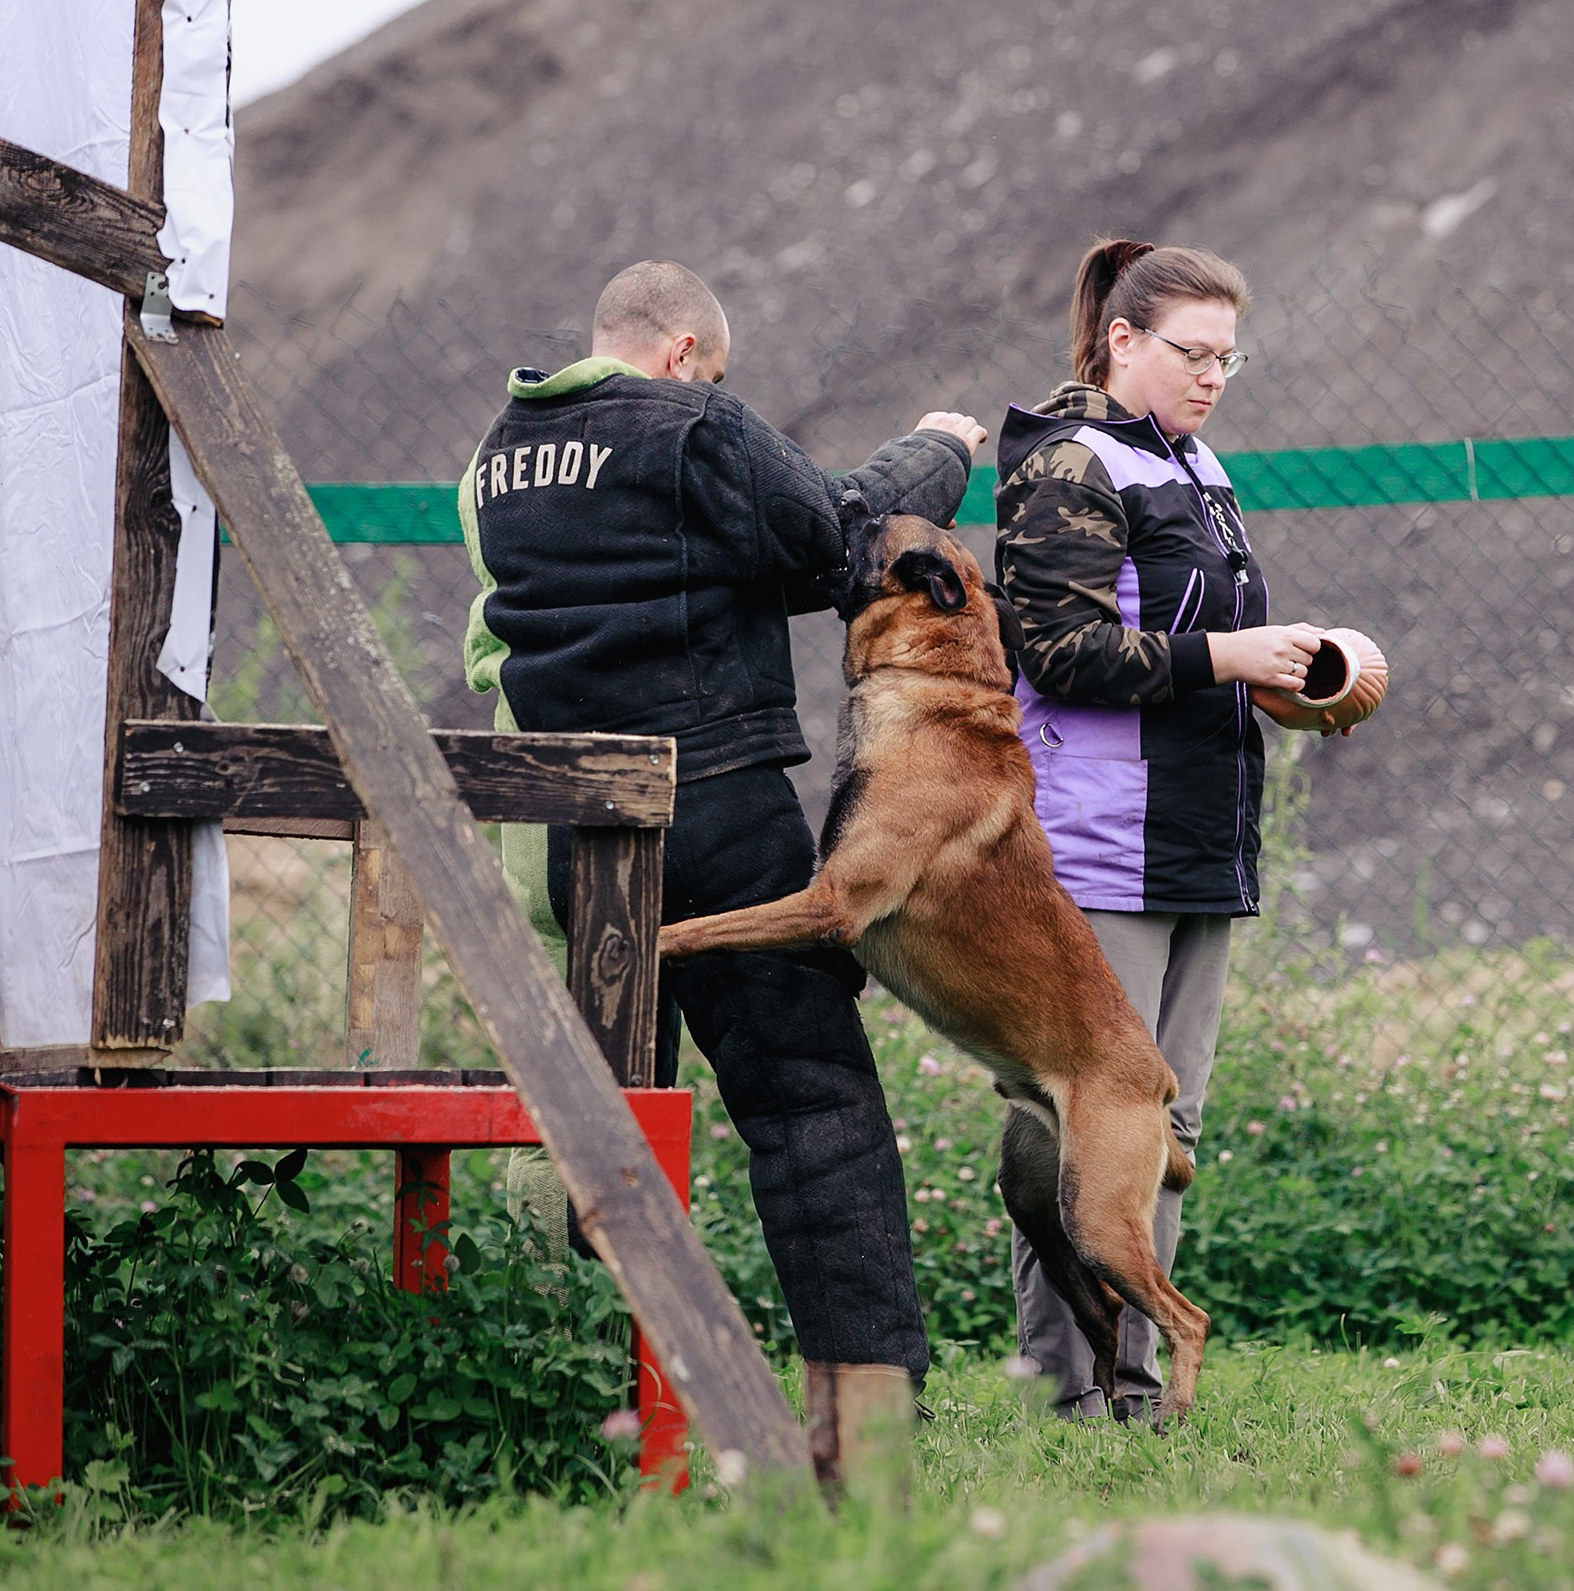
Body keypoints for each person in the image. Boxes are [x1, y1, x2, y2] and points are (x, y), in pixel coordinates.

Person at [459, 259, 986, 1412]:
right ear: (685, 352)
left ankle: (574, 1387)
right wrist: (937, 450)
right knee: (807, 1100)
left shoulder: (495, 458)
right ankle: (867, 1399)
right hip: (711, 805)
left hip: (565, 824)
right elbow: (840, 539)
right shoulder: (691, 421)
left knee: (611, 1117)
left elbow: (491, 638)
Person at [992, 239, 1322, 1420]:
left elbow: (1195, 641)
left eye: (1229, 358)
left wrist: (1282, 682)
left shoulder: (1194, 461)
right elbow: (1061, 652)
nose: (1213, 377)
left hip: (1200, 839)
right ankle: (1061, 1393)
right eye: (1193, 353)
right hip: (1095, 848)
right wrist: (1222, 656)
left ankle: (1139, 1393)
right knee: (1081, 1120)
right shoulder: (1065, 463)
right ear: (1121, 339)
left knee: (1167, 1127)